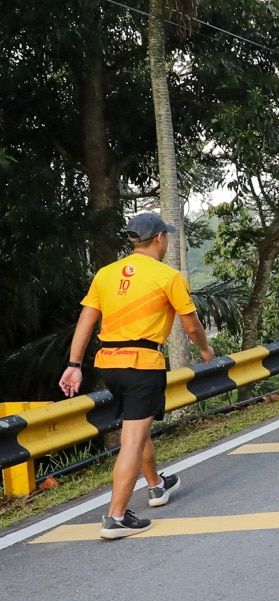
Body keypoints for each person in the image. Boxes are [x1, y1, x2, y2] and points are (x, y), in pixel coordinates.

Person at [58, 212, 214, 538]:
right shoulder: (168, 276)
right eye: (166, 236)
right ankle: (115, 517)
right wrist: (204, 350)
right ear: (159, 238)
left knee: (136, 426)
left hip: (109, 365)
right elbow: (190, 325)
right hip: (142, 365)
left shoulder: (106, 274)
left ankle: (157, 485)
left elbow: (86, 321)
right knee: (131, 439)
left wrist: (74, 365)